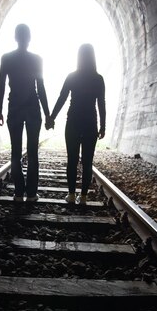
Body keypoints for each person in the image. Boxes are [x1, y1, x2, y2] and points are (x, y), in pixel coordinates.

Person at [0, 24, 51, 202]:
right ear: (29, 38)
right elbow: (40, 88)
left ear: (15, 37)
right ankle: (32, 194)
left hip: (15, 108)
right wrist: (48, 114)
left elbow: (1, 85)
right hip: (33, 108)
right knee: (33, 152)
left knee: (15, 152)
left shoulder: (7, 58)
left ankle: (19, 193)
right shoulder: (37, 59)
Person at [47, 44, 105, 204]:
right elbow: (101, 104)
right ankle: (84, 197)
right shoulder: (98, 78)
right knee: (87, 162)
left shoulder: (72, 76)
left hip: (73, 121)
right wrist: (103, 126)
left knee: (72, 160)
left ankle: (71, 195)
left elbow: (62, 98)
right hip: (90, 123)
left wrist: (52, 117)